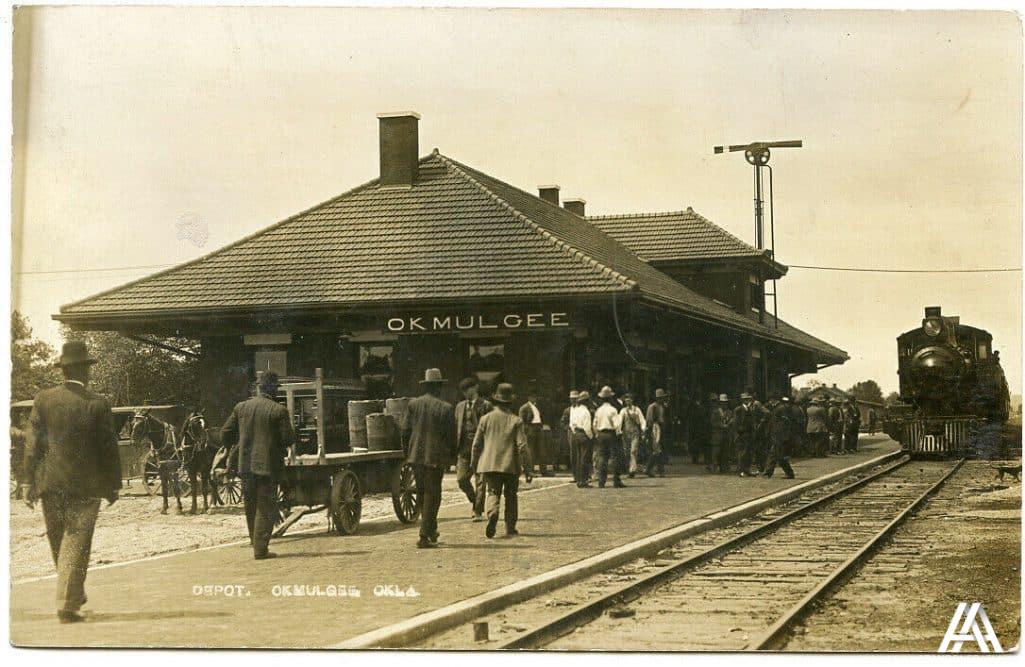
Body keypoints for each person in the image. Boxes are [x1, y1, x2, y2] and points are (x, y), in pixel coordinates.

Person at [23, 341, 121, 623]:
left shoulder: (43, 399)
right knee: (76, 541)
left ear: (63, 370)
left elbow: (32, 444)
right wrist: (114, 484)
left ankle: (72, 593)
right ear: (86, 371)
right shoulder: (97, 403)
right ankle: (67, 603)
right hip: (86, 487)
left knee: (59, 540)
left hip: (50, 484)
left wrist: (28, 482)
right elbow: (108, 447)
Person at [222, 371, 295, 560]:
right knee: (265, 506)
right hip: (268, 466)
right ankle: (260, 550)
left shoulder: (241, 407)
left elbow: (225, 432)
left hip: (245, 466)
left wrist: (237, 445)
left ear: (258, 387)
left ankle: (256, 543)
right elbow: (288, 439)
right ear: (272, 388)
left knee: (250, 505)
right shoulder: (279, 410)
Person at [402, 368, 457, 548]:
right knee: (434, 495)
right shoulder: (446, 408)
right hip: (435, 458)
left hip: (415, 456)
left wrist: (407, 453)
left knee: (423, 492)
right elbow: (451, 437)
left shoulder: (413, 405)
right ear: (439, 387)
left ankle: (431, 530)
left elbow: (405, 431)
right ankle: (424, 535)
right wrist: (452, 457)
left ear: (426, 387)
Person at [471, 383, 532, 538]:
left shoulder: (485, 419)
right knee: (511, 495)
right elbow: (522, 446)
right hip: (510, 465)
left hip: (490, 464)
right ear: (511, 401)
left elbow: (476, 444)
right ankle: (510, 527)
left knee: (492, 492)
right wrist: (528, 468)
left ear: (496, 400)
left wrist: (474, 463)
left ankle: (493, 512)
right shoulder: (516, 420)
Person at [455, 377, 491, 521]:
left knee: (480, 481)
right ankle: (475, 501)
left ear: (475, 388)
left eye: (467, 389)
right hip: (464, 448)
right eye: (463, 391)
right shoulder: (459, 407)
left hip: (482, 448)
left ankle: (477, 511)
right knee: (461, 479)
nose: (465, 393)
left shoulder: (486, 405)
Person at [593, 386, 626, 488]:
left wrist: (597, 434)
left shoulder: (598, 410)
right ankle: (616, 480)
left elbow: (594, 424)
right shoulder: (613, 410)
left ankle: (601, 481)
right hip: (611, 434)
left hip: (601, 434)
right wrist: (618, 433)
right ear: (610, 398)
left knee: (602, 457)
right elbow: (617, 424)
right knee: (615, 456)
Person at [519, 385, 551, 477]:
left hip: (539, 428)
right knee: (531, 451)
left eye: (535, 397)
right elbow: (521, 421)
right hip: (530, 428)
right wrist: (527, 430)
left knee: (542, 450)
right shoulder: (524, 407)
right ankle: (530, 470)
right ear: (529, 397)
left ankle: (543, 470)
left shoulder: (538, 407)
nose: (534, 398)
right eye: (532, 397)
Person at [764, 396, 797, 479]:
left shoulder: (780, 409)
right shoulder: (780, 408)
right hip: (778, 435)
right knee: (774, 454)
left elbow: (783, 424)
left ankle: (789, 473)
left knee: (780, 456)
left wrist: (783, 436)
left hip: (780, 436)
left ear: (773, 399)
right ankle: (768, 472)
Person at [618, 393, 647, 478]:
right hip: (625, 433)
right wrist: (619, 431)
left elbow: (642, 420)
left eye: (629, 399)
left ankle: (632, 470)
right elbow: (620, 421)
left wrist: (643, 429)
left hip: (635, 432)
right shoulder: (623, 411)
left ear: (632, 400)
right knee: (626, 451)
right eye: (626, 400)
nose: (628, 401)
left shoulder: (637, 410)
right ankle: (629, 468)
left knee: (633, 451)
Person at [645, 388, 671, 477]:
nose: (662, 399)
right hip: (655, 428)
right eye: (660, 398)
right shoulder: (652, 407)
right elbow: (649, 420)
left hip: (661, 428)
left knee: (660, 450)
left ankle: (658, 469)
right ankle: (651, 468)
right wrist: (650, 432)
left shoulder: (663, 406)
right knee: (657, 449)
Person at [572, 390, 595, 486]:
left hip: (576, 433)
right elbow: (587, 427)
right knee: (585, 458)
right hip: (584, 434)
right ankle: (583, 480)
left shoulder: (576, 410)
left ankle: (579, 479)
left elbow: (572, 424)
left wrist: (575, 432)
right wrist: (591, 437)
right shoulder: (586, 412)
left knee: (578, 457)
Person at [733, 392, 758, 477]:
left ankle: (747, 469)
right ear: (742, 400)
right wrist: (739, 432)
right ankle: (741, 470)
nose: (747, 401)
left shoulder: (749, 409)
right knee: (742, 453)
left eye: (748, 399)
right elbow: (736, 423)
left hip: (749, 434)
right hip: (742, 434)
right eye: (745, 399)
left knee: (749, 452)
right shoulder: (738, 410)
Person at [709, 394, 733, 473]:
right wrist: (722, 426)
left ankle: (724, 467)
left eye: (725, 402)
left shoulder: (729, 412)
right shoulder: (715, 411)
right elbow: (713, 423)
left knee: (725, 452)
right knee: (716, 452)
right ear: (720, 403)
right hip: (717, 435)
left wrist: (730, 423)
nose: (724, 404)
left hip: (726, 435)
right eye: (723, 402)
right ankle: (714, 467)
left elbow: (731, 421)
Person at [560, 391, 578, 479]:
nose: (574, 400)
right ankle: (575, 474)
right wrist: (569, 427)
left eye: (575, 399)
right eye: (572, 399)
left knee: (583, 453)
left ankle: (585, 474)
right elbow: (563, 422)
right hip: (571, 433)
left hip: (581, 432)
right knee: (573, 453)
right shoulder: (567, 410)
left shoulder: (582, 409)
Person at [688, 396, 708, 465]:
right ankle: (695, 458)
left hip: (697, 428)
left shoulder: (693, 407)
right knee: (696, 444)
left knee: (697, 444)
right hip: (696, 428)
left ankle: (695, 458)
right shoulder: (696, 408)